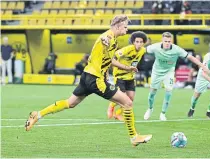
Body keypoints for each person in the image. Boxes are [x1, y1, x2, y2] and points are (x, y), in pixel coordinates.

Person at [25, 15, 152, 146]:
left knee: (71, 103)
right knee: (127, 103)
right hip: (96, 80)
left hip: (87, 75)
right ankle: (134, 137)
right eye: (125, 27)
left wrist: (127, 68)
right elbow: (103, 40)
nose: (126, 30)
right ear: (118, 26)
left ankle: (37, 114)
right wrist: (104, 41)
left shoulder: (114, 39)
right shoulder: (108, 37)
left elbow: (110, 60)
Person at [143, 32, 210, 121]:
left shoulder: (176, 49)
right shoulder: (155, 47)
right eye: (165, 41)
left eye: (169, 41)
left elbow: (191, 57)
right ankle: (150, 109)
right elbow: (141, 51)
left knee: (169, 92)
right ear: (162, 41)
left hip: (169, 72)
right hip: (156, 72)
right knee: (152, 93)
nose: (167, 43)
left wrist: (203, 66)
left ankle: (163, 113)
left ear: (172, 41)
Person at [107, 31, 148, 121]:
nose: (139, 44)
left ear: (144, 43)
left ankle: (117, 114)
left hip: (130, 77)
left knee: (131, 99)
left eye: (141, 42)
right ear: (133, 42)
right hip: (120, 76)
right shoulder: (127, 49)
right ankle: (111, 106)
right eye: (137, 42)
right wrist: (126, 67)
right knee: (124, 98)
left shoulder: (143, 50)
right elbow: (113, 58)